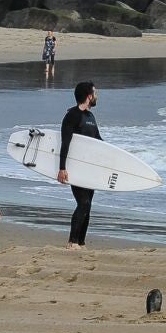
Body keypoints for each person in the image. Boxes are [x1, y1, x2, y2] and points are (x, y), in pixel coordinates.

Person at [60, 81, 102, 249]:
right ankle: (72, 242)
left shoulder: (91, 117)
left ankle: (81, 242)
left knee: (88, 205)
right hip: (74, 167)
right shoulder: (72, 116)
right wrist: (62, 168)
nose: (97, 96)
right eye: (95, 93)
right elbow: (65, 143)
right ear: (88, 96)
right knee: (83, 203)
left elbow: (98, 141)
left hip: (89, 168)